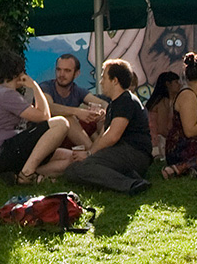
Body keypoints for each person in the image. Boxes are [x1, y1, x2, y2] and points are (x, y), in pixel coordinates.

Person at [0, 49, 88, 184]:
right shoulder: (5, 94)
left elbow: (40, 115)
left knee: (72, 158)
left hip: (10, 151)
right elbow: (44, 116)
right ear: (17, 73)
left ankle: (26, 176)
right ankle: (27, 173)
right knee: (61, 123)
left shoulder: (1, 91)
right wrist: (35, 86)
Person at [63, 59, 154, 193]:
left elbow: (113, 136)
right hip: (121, 152)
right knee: (73, 169)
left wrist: (89, 155)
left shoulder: (126, 100)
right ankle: (128, 176)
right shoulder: (114, 104)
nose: (101, 82)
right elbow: (103, 136)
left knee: (81, 168)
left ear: (115, 80)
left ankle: (131, 184)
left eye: (104, 78)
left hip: (134, 153)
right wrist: (90, 154)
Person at [40, 53, 106, 135]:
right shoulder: (46, 87)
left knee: (97, 121)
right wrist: (77, 112)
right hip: (45, 134)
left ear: (77, 73)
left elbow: (102, 103)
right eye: (59, 70)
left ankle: (99, 145)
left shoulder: (77, 90)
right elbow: (49, 107)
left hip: (68, 136)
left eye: (67, 71)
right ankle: (93, 147)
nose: (61, 74)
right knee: (68, 118)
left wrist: (103, 111)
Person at [144, 71, 182, 159]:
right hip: (157, 144)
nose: (179, 85)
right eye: (176, 82)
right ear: (168, 84)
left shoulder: (158, 100)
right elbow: (162, 129)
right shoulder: (163, 102)